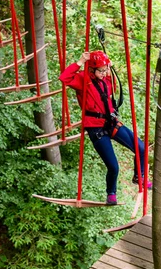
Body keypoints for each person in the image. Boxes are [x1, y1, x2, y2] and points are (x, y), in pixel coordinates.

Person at [59, 50, 151, 205]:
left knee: (141, 148)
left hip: (111, 123)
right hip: (96, 128)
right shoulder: (83, 79)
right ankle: (111, 193)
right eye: (100, 70)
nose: (104, 73)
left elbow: (112, 86)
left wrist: (109, 68)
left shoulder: (105, 79)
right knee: (113, 166)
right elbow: (64, 78)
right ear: (91, 69)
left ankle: (139, 177)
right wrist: (80, 61)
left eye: (105, 70)